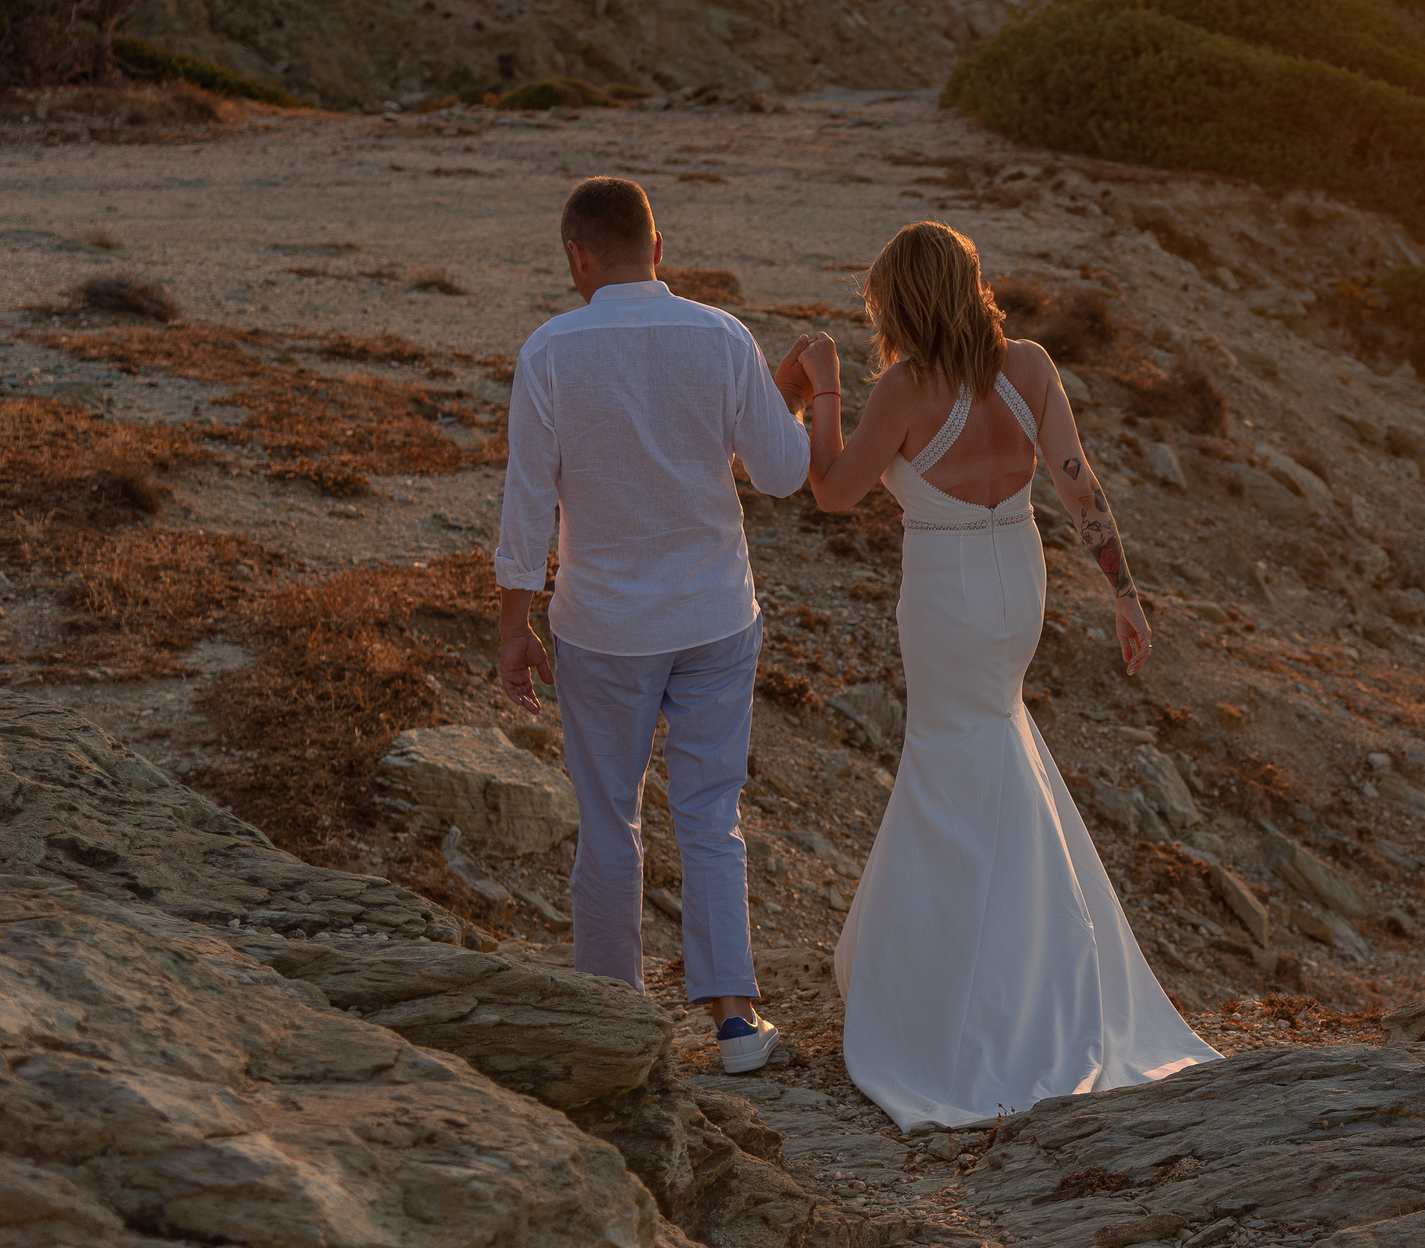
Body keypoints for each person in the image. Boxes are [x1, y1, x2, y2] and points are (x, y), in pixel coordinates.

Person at [790, 220, 1219, 1130]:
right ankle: (1024, 959)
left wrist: (823, 389)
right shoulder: (1028, 366)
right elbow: (1079, 487)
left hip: (946, 594)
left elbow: (831, 492)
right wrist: (1125, 595)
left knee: (949, 762)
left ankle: (965, 990)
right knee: (992, 745)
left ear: (900, 300)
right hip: (1019, 584)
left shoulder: (904, 389)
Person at [495, 176, 815, 1075]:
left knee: (609, 819)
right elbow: (783, 473)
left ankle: (613, 1012)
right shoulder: (722, 336)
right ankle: (735, 1020)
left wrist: (514, 625)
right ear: (659, 248)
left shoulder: (549, 351)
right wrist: (791, 394)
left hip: (602, 624)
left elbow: (526, 502)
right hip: (715, 613)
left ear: (577, 256)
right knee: (711, 814)